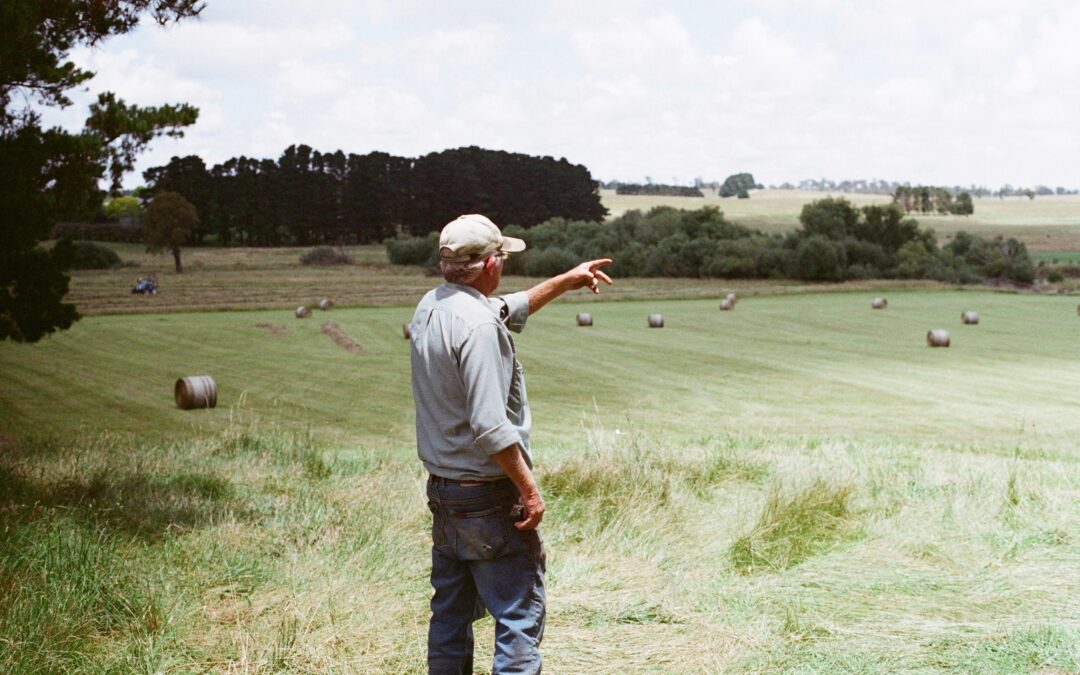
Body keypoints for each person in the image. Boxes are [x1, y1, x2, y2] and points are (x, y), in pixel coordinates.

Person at [409, 214, 612, 674]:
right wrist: (529, 490)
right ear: (487, 265)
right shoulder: (479, 329)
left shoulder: (432, 306)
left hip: (444, 490)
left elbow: (507, 308)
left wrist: (567, 280)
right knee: (518, 618)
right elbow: (490, 426)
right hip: (486, 494)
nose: (504, 263)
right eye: (501, 255)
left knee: (449, 617)